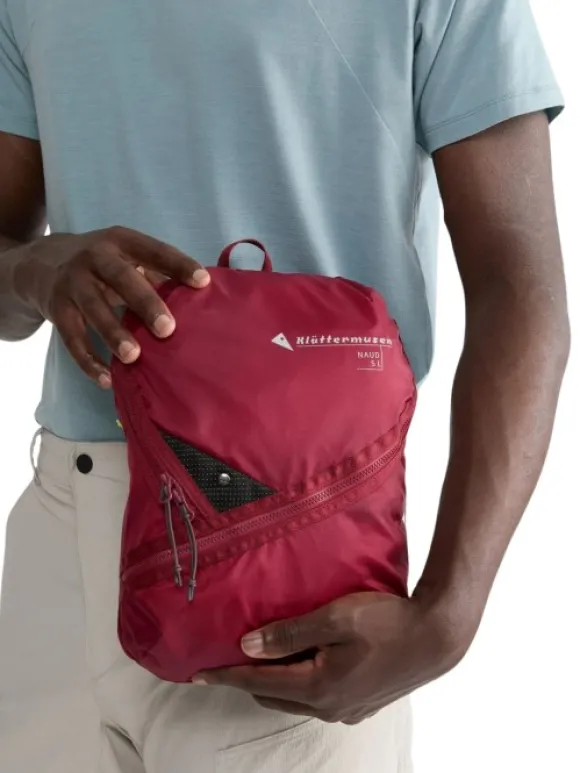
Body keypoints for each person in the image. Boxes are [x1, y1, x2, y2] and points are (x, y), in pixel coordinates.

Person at [0, 0, 570, 771]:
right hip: (59, 548)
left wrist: (448, 614)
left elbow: (522, 289)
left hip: (296, 552)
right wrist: (34, 268)